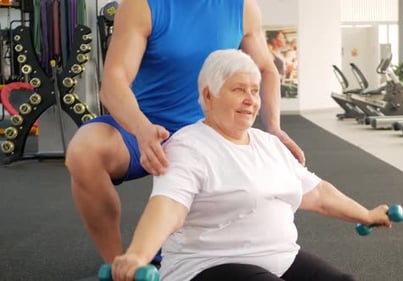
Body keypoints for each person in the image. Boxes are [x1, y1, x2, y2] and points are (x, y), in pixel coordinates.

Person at [110, 49, 393, 281]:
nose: (250, 100)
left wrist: (365, 215)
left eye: (255, 91)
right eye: (239, 90)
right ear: (208, 96)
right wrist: (138, 255)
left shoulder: (268, 144)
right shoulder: (189, 146)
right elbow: (170, 207)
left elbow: (318, 194)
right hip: (209, 265)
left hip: (279, 258)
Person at [64, 0, 305, 264]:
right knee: (84, 153)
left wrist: (275, 128)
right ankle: (118, 267)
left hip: (209, 130)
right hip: (144, 122)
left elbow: (266, 69)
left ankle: (179, 251)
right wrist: (142, 129)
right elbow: (113, 82)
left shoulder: (242, 7)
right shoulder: (141, 5)